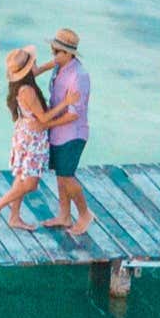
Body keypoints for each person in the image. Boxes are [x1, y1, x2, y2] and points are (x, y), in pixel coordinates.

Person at [0, 49, 64, 229]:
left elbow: (38, 70)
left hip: (25, 133)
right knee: (30, 184)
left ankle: (14, 218)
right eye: (33, 61)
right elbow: (44, 118)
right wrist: (66, 103)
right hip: (33, 138)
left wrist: (54, 62)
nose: (36, 63)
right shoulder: (27, 91)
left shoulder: (21, 81)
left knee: (21, 178)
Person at [41, 28, 94, 236]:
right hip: (57, 133)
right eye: (53, 51)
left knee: (67, 177)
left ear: (69, 53)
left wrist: (47, 124)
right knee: (60, 176)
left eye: (57, 52)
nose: (54, 55)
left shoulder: (79, 76)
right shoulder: (58, 67)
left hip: (73, 134)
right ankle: (64, 215)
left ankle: (84, 214)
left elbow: (74, 114)